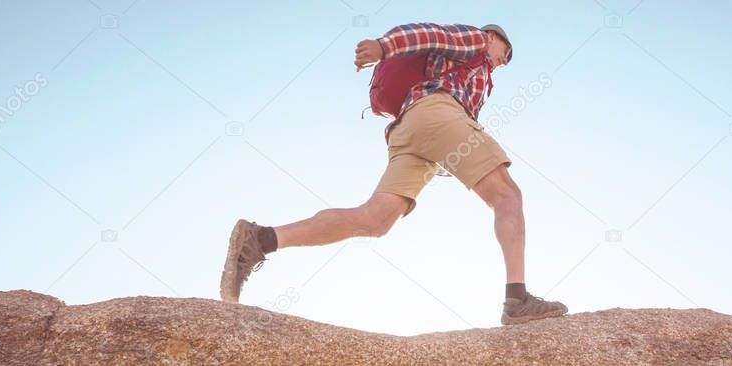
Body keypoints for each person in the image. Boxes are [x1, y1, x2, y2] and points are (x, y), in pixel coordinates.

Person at [220, 23, 568, 325]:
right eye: (506, 52)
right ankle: (517, 300)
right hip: (435, 112)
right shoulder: (475, 40)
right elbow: (431, 35)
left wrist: (449, 152)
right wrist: (384, 48)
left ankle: (260, 240)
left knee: (375, 219)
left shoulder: (478, 78)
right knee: (508, 196)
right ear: (493, 37)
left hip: (410, 130)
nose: (503, 62)